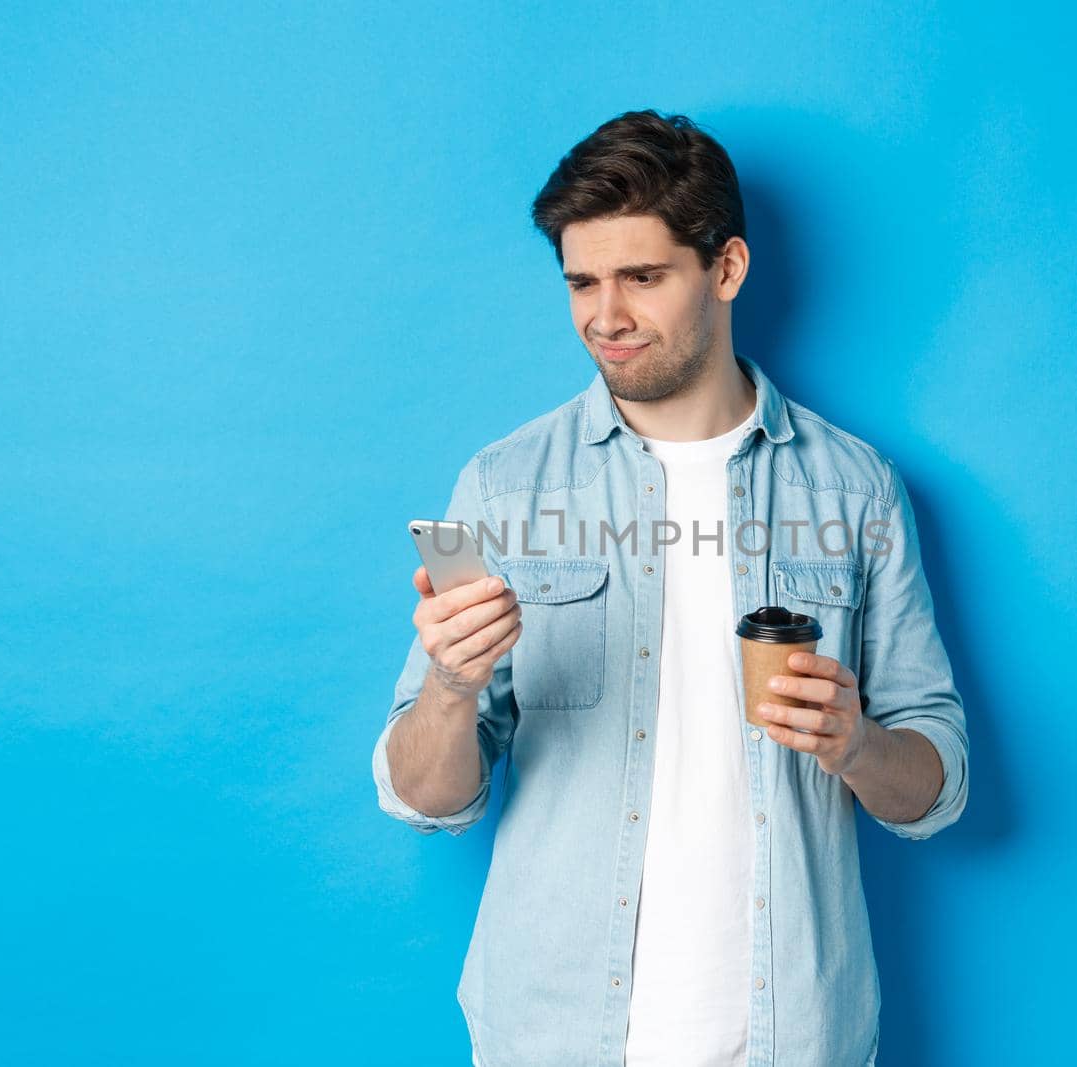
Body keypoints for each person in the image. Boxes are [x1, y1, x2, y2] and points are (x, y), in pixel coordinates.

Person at [371, 109, 968, 1067]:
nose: (605, 316)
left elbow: (936, 787)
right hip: (551, 1034)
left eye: (641, 277)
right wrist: (449, 686)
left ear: (725, 269)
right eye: (581, 282)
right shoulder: (505, 486)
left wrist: (855, 742)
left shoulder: (856, 489)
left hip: (794, 1036)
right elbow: (425, 798)